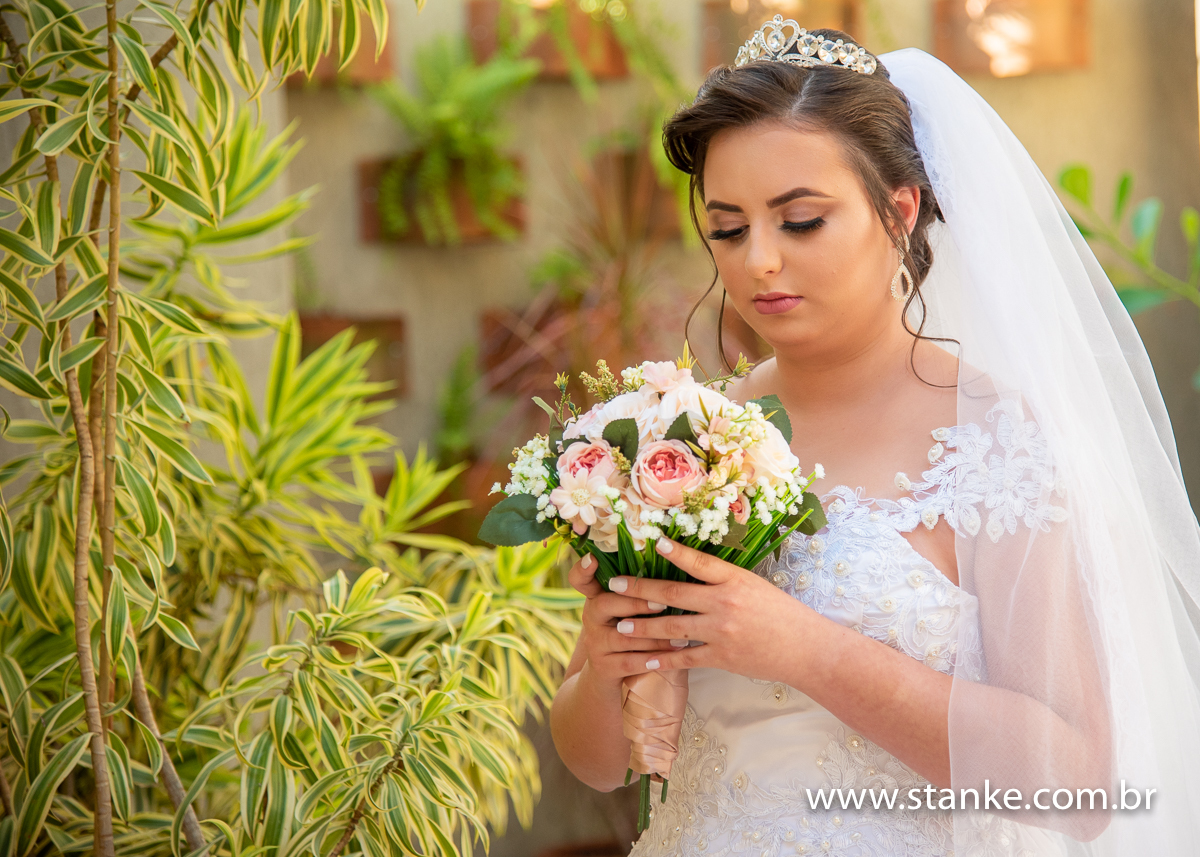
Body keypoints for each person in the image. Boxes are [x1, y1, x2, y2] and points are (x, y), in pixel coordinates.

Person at [549, 17, 1200, 856]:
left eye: (801, 220)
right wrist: (607, 670)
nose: (759, 264)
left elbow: (1078, 781)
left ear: (899, 212)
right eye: (730, 227)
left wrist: (806, 650)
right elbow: (598, 764)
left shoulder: (995, 442)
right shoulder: (680, 441)